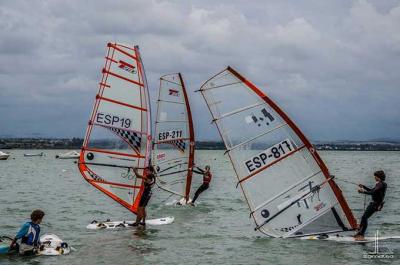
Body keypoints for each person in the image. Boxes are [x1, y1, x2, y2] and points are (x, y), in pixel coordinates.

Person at [354, 170, 387, 240]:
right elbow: (372, 190)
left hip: (375, 204)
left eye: (375, 176)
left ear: (378, 177)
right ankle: (360, 232)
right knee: (364, 217)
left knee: (364, 217)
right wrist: (363, 186)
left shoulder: (380, 184)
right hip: (374, 204)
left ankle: (361, 234)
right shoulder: (380, 184)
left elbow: (373, 192)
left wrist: (363, 192)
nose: (374, 177)